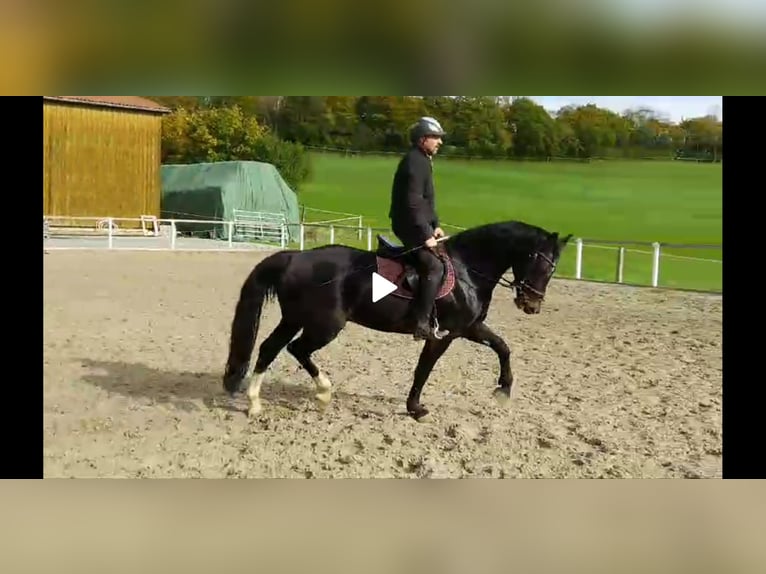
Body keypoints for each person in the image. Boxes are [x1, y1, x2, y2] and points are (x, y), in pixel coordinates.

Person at [388, 116, 448, 341]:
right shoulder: (414, 161)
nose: (439, 142)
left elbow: (427, 200)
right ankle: (420, 322)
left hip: (418, 223)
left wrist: (435, 225)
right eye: (435, 138)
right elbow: (413, 202)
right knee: (433, 267)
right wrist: (425, 234)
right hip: (409, 225)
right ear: (422, 139)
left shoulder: (422, 159)